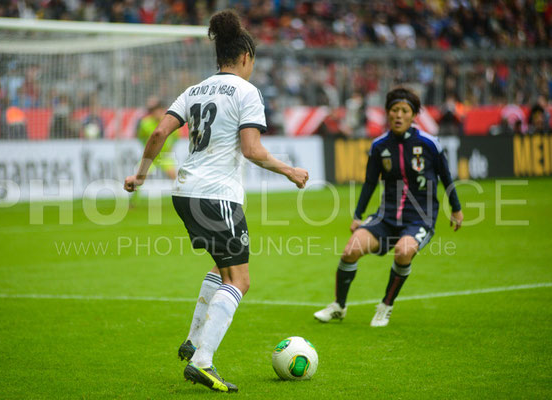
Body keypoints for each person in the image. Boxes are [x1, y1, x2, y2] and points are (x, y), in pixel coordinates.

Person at [124, 10, 308, 393]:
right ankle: (203, 361)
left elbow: (159, 132)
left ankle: (193, 341)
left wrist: (140, 175)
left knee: (223, 271)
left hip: (185, 193)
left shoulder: (194, 90)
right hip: (216, 194)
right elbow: (252, 150)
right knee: (240, 280)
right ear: (245, 58)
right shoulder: (246, 92)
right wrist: (289, 170)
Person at [313, 87, 463, 327]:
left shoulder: (430, 144)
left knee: (404, 252)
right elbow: (370, 182)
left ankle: (385, 306)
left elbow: (446, 177)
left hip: (420, 219)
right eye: (394, 110)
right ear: (387, 113)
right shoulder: (379, 146)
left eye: (404, 110)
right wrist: (358, 215)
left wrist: (456, 209)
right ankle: (339, 306)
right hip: (385, 217)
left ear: (413, 115)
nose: (399, 115)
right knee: (351, 249)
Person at [136, 97, 178, 180]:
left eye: (157, 110)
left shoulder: (169, 122)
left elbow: (176, 137)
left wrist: (169, 147)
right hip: (150, 155)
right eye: (152, 111)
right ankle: (134, 191)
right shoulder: (145, 123)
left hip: (165, 156)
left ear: (162, 110)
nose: (155, 113)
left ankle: (178, 192)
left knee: (176, 178)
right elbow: (140, 137)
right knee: (138, 177)